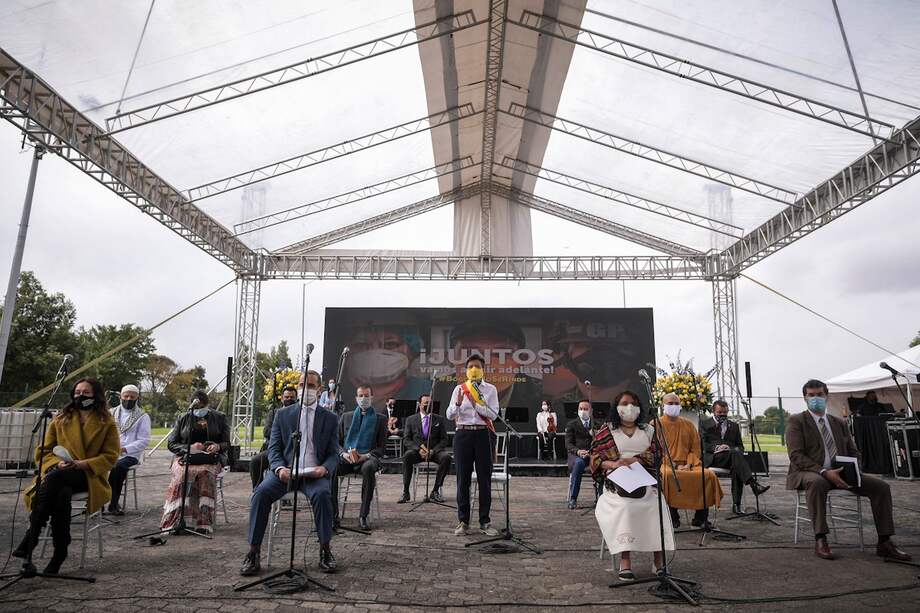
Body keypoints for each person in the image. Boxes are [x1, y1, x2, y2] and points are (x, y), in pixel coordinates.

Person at [787, 379, 911, 561]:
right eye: (811, 395)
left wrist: (854, 469)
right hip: (809, 472)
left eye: (819, 394)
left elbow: (854, 451)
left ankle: (885, 541)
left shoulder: (838, 422)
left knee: (881, 487)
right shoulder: (797, 421)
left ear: (826, 395)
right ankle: (821, 539)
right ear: (804, 398)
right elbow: (796, 455)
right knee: (818, 482)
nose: (816, 398)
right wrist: (823, 471)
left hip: (842, 473)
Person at [14, 378, 119, 574]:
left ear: (95, 396)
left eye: (85, 393)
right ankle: (60, 551)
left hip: (89, 476)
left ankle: (32, 535)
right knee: (61, 492)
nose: (80, 396)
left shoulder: (107, 423)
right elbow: (44, 451)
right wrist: (57, 462)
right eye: (77, 392)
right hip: (61, 473)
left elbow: (111, 456)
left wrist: (82, 463)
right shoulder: (60, 418)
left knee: (56, 479)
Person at [240, 370, 340, 576]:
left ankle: (325, 550)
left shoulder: (330, 418)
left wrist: (325, 468)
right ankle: (253, 552)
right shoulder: (283, 414)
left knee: (323, 495)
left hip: (314, 475)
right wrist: (279, 468)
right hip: (285, 473)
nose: (306, 389)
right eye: (302, 384)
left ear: (319, 389)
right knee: (260, 494)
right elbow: (274, 449)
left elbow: (334, 453)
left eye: (311, 386)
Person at [592, 391, 674, 581]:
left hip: (646, 480)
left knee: (657, 505)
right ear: (617, 407)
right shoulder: (607, 431)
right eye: (625, 403)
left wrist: (635, 460)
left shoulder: (649, 430)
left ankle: (658, 561)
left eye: (634, 403)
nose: (630, 407)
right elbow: (596, 460)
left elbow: (657, 455)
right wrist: (615, 464)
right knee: (626, 507)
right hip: (617, 483)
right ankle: (625, 561)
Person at [152, 391, 230, 542]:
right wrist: (188, 448)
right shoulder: (183, 418)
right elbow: (172, 443)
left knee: (205, 474)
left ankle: (204, 523)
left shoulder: (219, 417)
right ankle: (174, 520)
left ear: (207, 405)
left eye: (202, 406)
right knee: (182, 475)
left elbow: (227, 443)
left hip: (211, 460)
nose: (199, 410)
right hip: (185, 458)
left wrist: (217, 446)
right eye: (196, 407)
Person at [447, 354, 500, 536]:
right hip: (463, 434)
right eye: (470, 366)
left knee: (485, 479)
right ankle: (463, 521)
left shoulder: (491, 389)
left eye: (477, 366)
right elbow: (449, 414)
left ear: (483, 369)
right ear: (466, 369)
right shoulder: (459, 389)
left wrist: (477, 404)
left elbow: (493, 414)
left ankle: (485, 521)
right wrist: (458, 404)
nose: (473, 369)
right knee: (463, 479)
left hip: (483, 434)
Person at [658, 392, 723, 528]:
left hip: (690, 463)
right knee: (668, 476)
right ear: (663, 405)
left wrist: (688, 463)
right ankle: (672, 517)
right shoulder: (655, 424)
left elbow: (696, 448)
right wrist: (675, 466)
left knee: (707, 475)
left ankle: (700, 518)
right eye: (670, 404)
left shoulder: (688, 424)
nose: (674, 406)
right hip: (666, 464)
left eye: (676, 403)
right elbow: (656, 451)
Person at [331, 385, 387, 531]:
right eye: (360, 396)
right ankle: (333, 516)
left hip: (368, 458)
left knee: (369, 468)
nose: (363, 399)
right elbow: (336, 442)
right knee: (331, 467)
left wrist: (366, 456)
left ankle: (363, 515)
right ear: (356, 398)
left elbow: (381, 448)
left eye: (366, 396)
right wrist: (343, 453)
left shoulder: (380, 419)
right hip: (347, 458)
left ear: (372, 398)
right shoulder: (346, 416)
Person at [702, 399, 769, 515]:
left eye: (725, 413)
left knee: (736, 462)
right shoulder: (704, 424)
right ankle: (753, 485)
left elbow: (740, 447)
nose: (722, 415)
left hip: (731, 457)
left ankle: (736, 505)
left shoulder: (733, 426)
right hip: (714, 458)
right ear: (713, 411)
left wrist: (729, 448)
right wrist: (717, 448)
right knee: (737, 458)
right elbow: (702, 444)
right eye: (719, 412)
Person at [398, 393, 451, 503]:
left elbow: (444, 439)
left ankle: (435, 491)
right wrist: (419, 449)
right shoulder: (411, 419)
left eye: (430, 404)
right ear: (419, 404)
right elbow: (407, 439)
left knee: (446, 457)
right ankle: (406, 492)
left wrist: (433, 451)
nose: (428, 406)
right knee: (407, 456)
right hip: (418, 451)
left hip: (434, 452)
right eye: (426, 403)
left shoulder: (439, 419)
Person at [107, 384, 151, 515]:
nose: (128, 399)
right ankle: (95, 502)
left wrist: (125, 449)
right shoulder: (110, 413)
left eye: (132, 396)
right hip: (109, 451)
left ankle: (113, 503)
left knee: (118, 466)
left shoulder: (143, 416)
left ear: (137, 398)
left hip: (130, 454)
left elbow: (144, 440)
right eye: (126, 396)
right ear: (120, 396)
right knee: (94, 464)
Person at [250, 386, 297, 489]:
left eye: (292, 397)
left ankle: (286, 492)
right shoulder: (274, 413)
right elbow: (266, 431)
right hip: (274, 450)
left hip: (292, 452)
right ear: (282, 398)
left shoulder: (299, 414)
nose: (289, 399)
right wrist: (282, 434)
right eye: (287, 397)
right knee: (255, 461)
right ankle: (258, 490)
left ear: (296, 398)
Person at [565, 399, 601, 509]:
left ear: (591, 411)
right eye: (581, 409)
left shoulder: (597, 425)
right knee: (579, 463)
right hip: (577, 456)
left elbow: (602, 443)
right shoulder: (572, 424)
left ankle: (601, 498)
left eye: (585, 409)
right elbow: (568, 444)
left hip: (592, 455)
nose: (583, 411)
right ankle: (573, 499)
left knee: (603, 464)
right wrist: (578, 451)